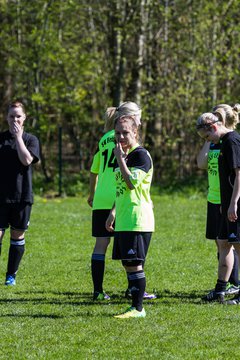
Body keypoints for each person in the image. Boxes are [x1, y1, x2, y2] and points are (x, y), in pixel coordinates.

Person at [88, 101, 156, 301]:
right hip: (120, 196)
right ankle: (133, 291)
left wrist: (91, 194)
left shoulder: (104, 139)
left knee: (102, 244)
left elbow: (94, 170)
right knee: (132, 250)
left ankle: (98, 291)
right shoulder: (129, 141)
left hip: (103, 197)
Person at [106, 115, 155, 318]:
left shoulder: (140, 155)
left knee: (135, 263)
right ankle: (134, 306)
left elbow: (131, 183)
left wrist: (120, 159)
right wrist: (113, 212)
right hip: (124, 218)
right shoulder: (124, 156)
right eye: (117, 133)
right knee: (127, 262)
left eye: (125, 132)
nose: (121, 136)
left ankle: (138, 308)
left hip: (138, 219)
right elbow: (121, 190)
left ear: (135, 132)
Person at [196, 104, 240, 304]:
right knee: (223, 243)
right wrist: (225, 203)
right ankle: (220, 289)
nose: (208, 142)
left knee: (238, 247)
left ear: (213, 128)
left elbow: (239, 175)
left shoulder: (232, 141)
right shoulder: (222, 142)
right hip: (225, 205)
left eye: (206, 138)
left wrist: (233, 203)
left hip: (234, 206)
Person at [0, 101, 40, 285]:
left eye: (18, 116)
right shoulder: (0, 139)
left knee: (17, 236)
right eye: (11, 116)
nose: (14, 119)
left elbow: (26, 161)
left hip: (22, 196)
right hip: (1, 196)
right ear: (6, 117)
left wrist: (18, 138)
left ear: (24, 118)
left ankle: (11, 275)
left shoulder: (31, 140)